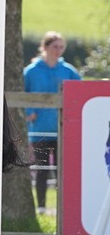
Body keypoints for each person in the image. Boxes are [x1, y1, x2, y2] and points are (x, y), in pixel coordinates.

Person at [23, 31, 82, 213]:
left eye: (61, 47)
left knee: (62, 171)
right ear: (45, 47)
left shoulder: (68, 71)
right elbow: (22, 93)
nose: (58, 50)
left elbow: (80, 93)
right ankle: (40, 207)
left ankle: (64, 209)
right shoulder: (31, 71)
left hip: (63, 128)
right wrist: (29, 112)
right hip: (39, 128)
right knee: (41, 169)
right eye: (55, 46)